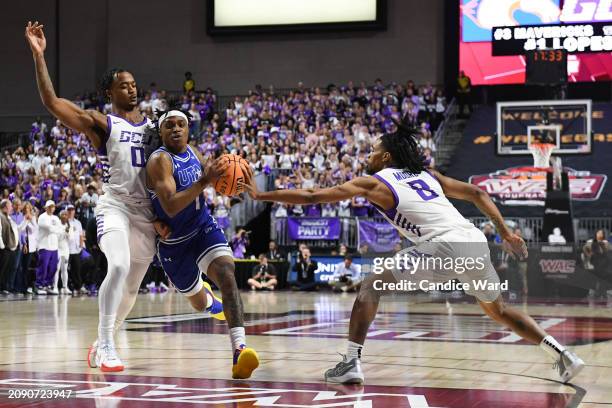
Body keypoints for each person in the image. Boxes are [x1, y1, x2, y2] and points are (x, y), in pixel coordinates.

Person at [243, 122, 584, 384]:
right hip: (474, 240)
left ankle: (350, 361)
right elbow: (478, 193)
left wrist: (261, 196)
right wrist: (506, 232)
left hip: (444, 244)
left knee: (370, 286)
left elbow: (314, 196)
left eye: (374, 150)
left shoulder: (374, 182)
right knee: (500, 311)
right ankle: (563, 355)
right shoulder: (428, 175)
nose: (369, 155)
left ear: (386, 157)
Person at [26, 21, 167, 372]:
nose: (132, 90)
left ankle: (101, 342)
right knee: (117, 265)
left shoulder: (155, 127)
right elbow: (52, 101)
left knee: (132, 287)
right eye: (124, 85)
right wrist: (39, 56)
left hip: (146, 214)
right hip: (114, 207)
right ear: (110, 92)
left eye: (134, 85)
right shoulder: (101, 123)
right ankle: (106, 345)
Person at [146, 109, 259, 379]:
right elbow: (171, 206)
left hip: (202, 226)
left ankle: (239, 350)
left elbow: (209, 178)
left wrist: (229, 178)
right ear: (160, 132)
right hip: (174, 242)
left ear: (188, 129)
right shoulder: (159, 160)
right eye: (170, 125)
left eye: (181, 124)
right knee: (198, 302)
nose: (176, 129)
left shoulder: (194, 152)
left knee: (227, 273)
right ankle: (209, 301)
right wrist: (205, 181)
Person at [36, 201, 64, 294]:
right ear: (46, 208)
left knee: (53, 267)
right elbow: (49, 228)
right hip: (44, 245)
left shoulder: (56, 218)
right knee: (43, 266)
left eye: (53, 207)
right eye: (49, 207)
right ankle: (39, 285)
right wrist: (56, 229)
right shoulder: (42, 217)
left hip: (54, 246)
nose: (51, 208)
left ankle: (47, 285)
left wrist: (55, 229)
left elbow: (61, 230)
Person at [0, 200, 20, 294]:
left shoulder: (8, 217)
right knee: (1, 268)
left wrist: (26, 221)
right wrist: (2, 246)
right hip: (3, 248)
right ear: (5, 207)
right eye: (10, 206)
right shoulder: (0, 216)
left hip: (9, 247)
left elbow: (17, 229)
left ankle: (3, 287)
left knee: (5, 268)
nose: (11, 208)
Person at [67, 204, 87, 295]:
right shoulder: (64, 221)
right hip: (67, 249)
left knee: (77, 268)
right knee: (67, 269)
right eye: (69, 210)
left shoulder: (78, 222)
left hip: (76, 249)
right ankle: (68, 286)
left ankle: (78, 286)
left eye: (72, 210)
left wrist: (81, 245)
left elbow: (80, 235)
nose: (71, 211)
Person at [52, 210, 70, 295]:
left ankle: (65, 287)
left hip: (66, 250)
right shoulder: (57, 225)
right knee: (57, 268)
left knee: (64, 269)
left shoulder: (69, 226)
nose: (64, 216)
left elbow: (71, 239)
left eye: (66, 215)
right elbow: (56, 237)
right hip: (58, 249)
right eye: (63, 214)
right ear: (60, 216)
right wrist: (63, 232)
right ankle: (55, 287)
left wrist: (67, 232)